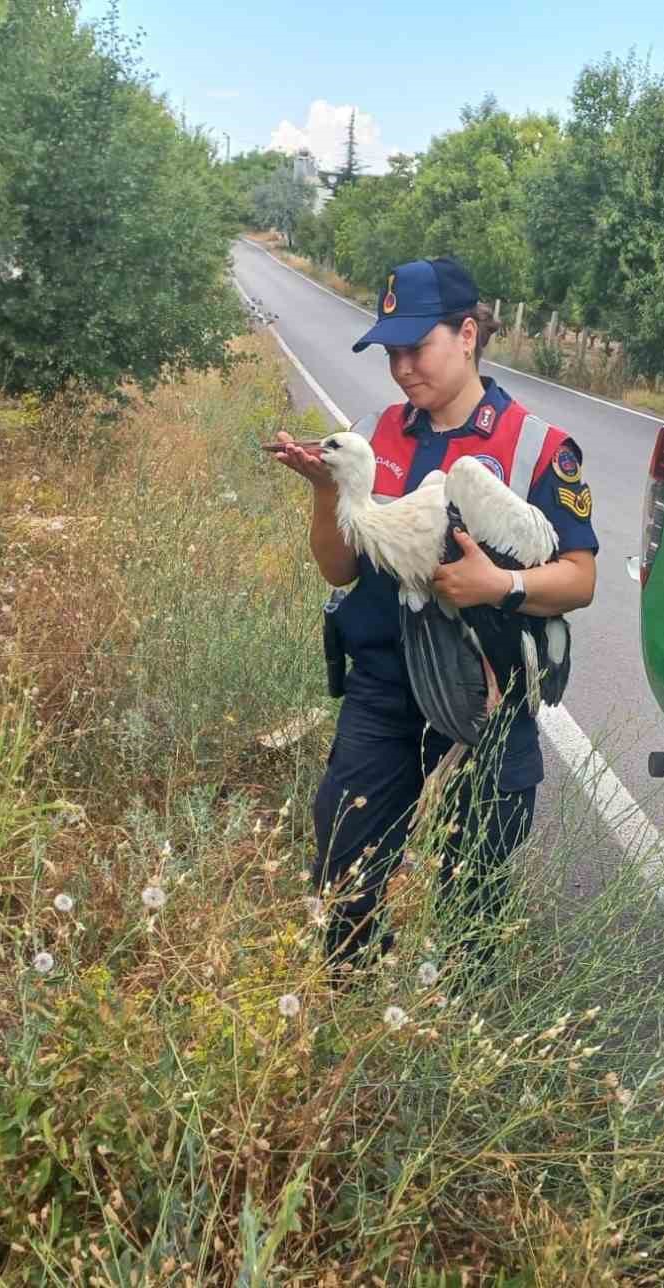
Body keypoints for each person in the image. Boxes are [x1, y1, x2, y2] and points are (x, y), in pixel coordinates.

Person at [269, 256, 598, 976]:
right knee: (344, 866)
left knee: (470, 896)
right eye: (391, 351)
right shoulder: (378, 433)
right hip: (384, 690)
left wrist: (499, 585)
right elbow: (338, 569)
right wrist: (327, 495)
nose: (402, 367)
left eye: (416, 347)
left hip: (486, 706)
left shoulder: (537, 447)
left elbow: (579, 579)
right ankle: (352, 1024)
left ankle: (452, 1046)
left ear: (469, 334)